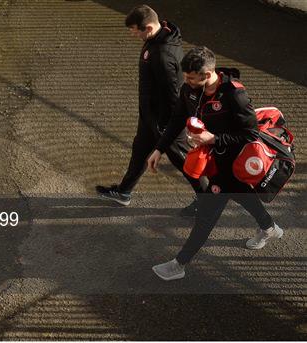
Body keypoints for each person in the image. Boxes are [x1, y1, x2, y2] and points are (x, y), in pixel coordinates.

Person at [148, 46, 283, 281]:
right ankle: (270, 228)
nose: (186, 81)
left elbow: (250, 134)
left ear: (207, 74)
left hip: (232, 161)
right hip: (215, 162)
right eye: (186, 77)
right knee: (240, 193)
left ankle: (179, 264)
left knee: (206, 215)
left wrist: (213, 139)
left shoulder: (234, 94)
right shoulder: (190, 89)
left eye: (191, 77)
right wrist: (159, 148)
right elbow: (177, 119)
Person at [96, 4, 205, 216]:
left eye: (135, 30)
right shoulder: (157, 37)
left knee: (183, 160)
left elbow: (173, 95)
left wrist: (167, 127)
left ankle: (208, 200)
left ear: (147, 27)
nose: (132, 34)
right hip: (150, 116)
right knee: (140, 151)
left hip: (164, 121)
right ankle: (124, 192)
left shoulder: (163, 55)